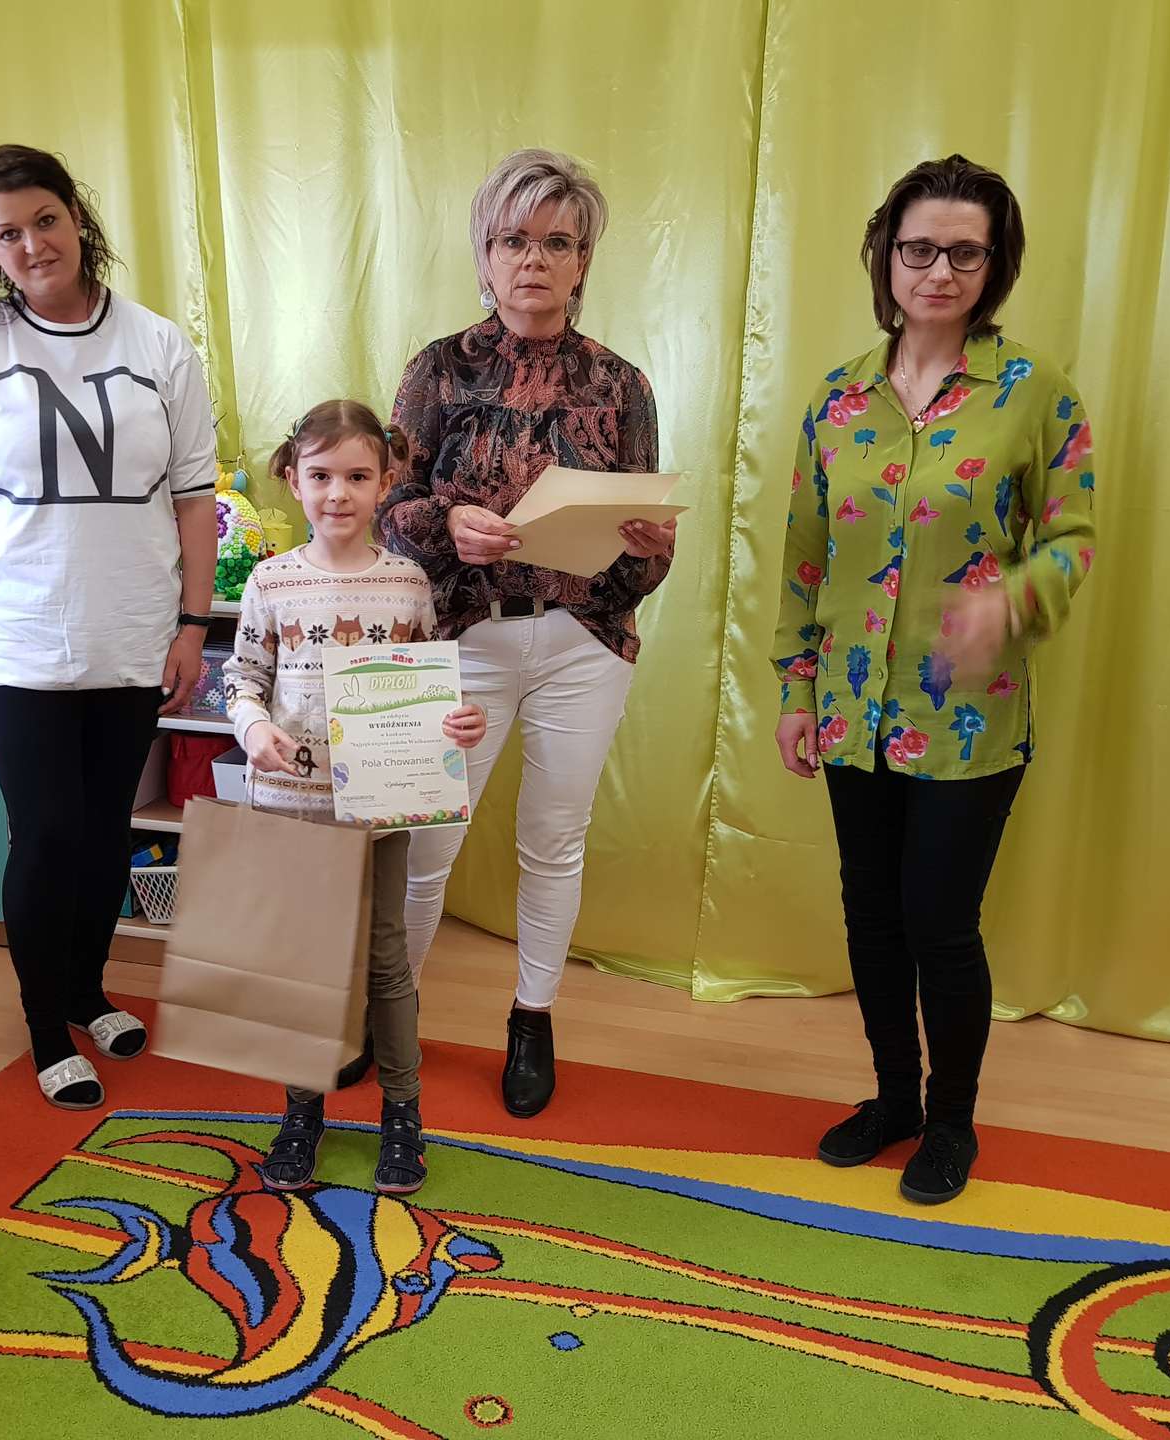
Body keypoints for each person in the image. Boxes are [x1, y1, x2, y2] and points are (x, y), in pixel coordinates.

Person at [773, 154, 1098, 1204]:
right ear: (887, 255)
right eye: (920, 248)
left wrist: (1017, 600)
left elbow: (1074, 537)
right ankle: (894, 1099)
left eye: (966, 252)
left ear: (995, 265)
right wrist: (795, 689)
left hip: (966, 718)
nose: (940, 271)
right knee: (871, 916)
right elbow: (806, 557)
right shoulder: (837, 399)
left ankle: (952, 1121)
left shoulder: (1034, 393)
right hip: (848, 707)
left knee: (940, 925)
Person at [0, 144, 220, 1110]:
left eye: (45, 219)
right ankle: (47, 1023)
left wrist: (191, 627)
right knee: (45, 834)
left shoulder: (159, 346)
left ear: (76, 218)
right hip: (13, 640)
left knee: (102, 833)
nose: (32, 244)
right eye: (7, 233)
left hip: (131, 634)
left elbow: (195, 500)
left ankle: (88, 989)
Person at [380, 148, 675, 1119]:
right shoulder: (437, 369)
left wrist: (649, 545)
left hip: (582, 645)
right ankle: (389, 1012)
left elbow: (644, 559)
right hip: (460, 639)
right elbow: (388, 511)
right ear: (484, 253)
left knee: (554, 840)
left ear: (583, 260)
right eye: (513, 240)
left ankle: (532, 1016)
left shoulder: (621, 385)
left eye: (556, 241)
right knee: (424, 843)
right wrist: (447, 524)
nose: (533, 260)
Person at [225, 400, 486, 1194]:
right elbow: (243, 677)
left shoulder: (407, 583)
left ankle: (402, 1113)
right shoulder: (271, 581)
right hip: (291, 808)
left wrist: (458, 722)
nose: (338, 493)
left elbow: (426, 688)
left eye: (357, 476)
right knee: (302, 965)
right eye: (321, 476)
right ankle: (301, 1110)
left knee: (385, 961)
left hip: (379, 813)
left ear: (386, 481)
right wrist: (252, 727)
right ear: (293, 480)